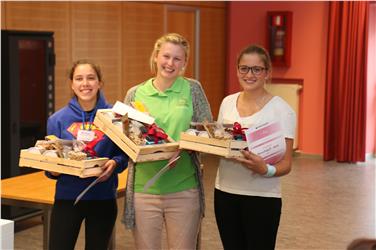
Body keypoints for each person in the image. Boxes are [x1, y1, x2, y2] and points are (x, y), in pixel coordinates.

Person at [122, 33, 213, 249]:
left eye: (177, 58)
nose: (170, 63)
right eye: (165, 56)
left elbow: (208, 132)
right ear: (155, 57)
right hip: (144, 190)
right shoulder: (135, 94)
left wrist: (187, 146)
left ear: (184, 63)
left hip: (184, 189)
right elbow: (124, 137)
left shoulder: (192, 89)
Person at [214, 45, 296, 250]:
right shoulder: (227, 102)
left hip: (262, 198)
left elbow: (286, 164)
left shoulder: (282, 110)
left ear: (267, 73)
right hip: (224, 193)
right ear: (237, 70)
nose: (249, 74)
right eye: (244, 68)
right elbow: (221, 142)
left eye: (256, 69)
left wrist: (265, 170)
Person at [46, 59, 128, 250]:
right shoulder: (57, 120)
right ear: (72, 84)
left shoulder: (115, 117)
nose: (85, 83)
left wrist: (115, 163)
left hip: (103, 198)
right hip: (67, 198)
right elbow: (48, 163)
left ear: (99, 83)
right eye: (79, 78)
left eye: (91, 78)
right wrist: (53, 171)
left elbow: (124, 155)